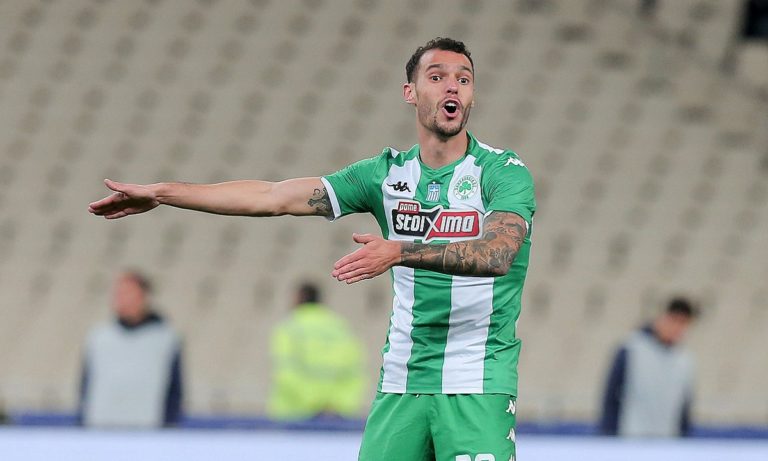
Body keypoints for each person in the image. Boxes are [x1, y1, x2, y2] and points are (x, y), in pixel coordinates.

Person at [89, 37, 535, 460]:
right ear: (410, 92)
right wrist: (164, 193)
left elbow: (498, 253)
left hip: (478, 381)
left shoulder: (502, 172)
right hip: (403, 383)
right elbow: (273, 196)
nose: (452, 86)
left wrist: (399, 251)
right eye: (437, 77)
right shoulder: (385, 175)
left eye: (463, 78)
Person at [79, 270, 183, 428]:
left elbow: (174, 389)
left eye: (128, 294)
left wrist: (168, 426)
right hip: (101, 428)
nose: (122, 300)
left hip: (146, 429)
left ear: (144, 297)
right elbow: (86, 386)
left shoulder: (165, 339)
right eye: (119, 294)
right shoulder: (99, 337)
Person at [599, 297, 698, 438]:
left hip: (667, 440)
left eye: (683, 324)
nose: (677, 328)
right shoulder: (631, 349)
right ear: (663, 318)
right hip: (630, 439)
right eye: (674, 321)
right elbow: (612, 396)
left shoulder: (685, 360)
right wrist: (609, 435)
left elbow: (684, 407)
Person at [267, 282, 366, 420]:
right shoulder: (340, 328)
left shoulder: (290, 327)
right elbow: (354, 373)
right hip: (334, 416)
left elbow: (285, 373)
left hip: (294, 415)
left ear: (299, 297)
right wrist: (337, 406)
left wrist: (313, 405)